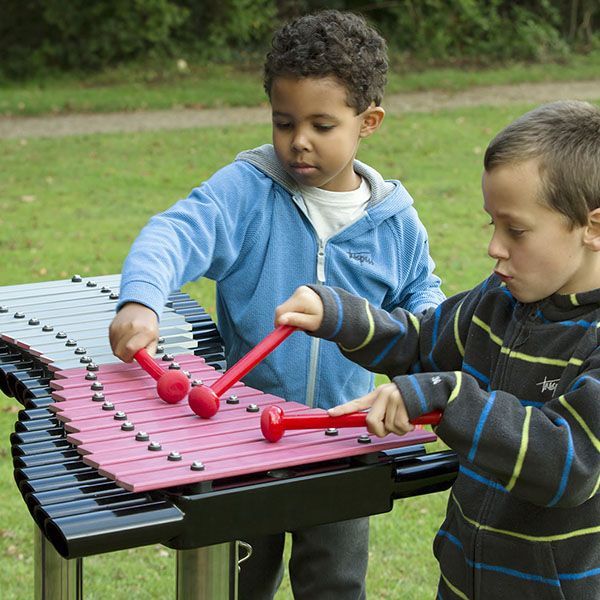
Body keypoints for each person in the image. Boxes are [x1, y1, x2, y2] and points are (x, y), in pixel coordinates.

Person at [108, 9, 444, 600]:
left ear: (369, 122)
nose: (298, 141)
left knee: (334, 585)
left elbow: (425, 309)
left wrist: (432, 376)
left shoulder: (394, 223)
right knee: (238, 585)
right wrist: (141, 300)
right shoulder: (249, 190)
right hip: (237, 438)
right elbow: (177, 232)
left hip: (342, 438)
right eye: (283, 121)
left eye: (321, 124)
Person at [275, 100, 600, 600]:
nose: (495, 246)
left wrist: (449, 396)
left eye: (515, 230)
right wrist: (340, 315)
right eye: (492, 223)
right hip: (463, 579)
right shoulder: (500, 298)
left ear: (592, 228)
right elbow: (422, 345)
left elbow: (569, 465)